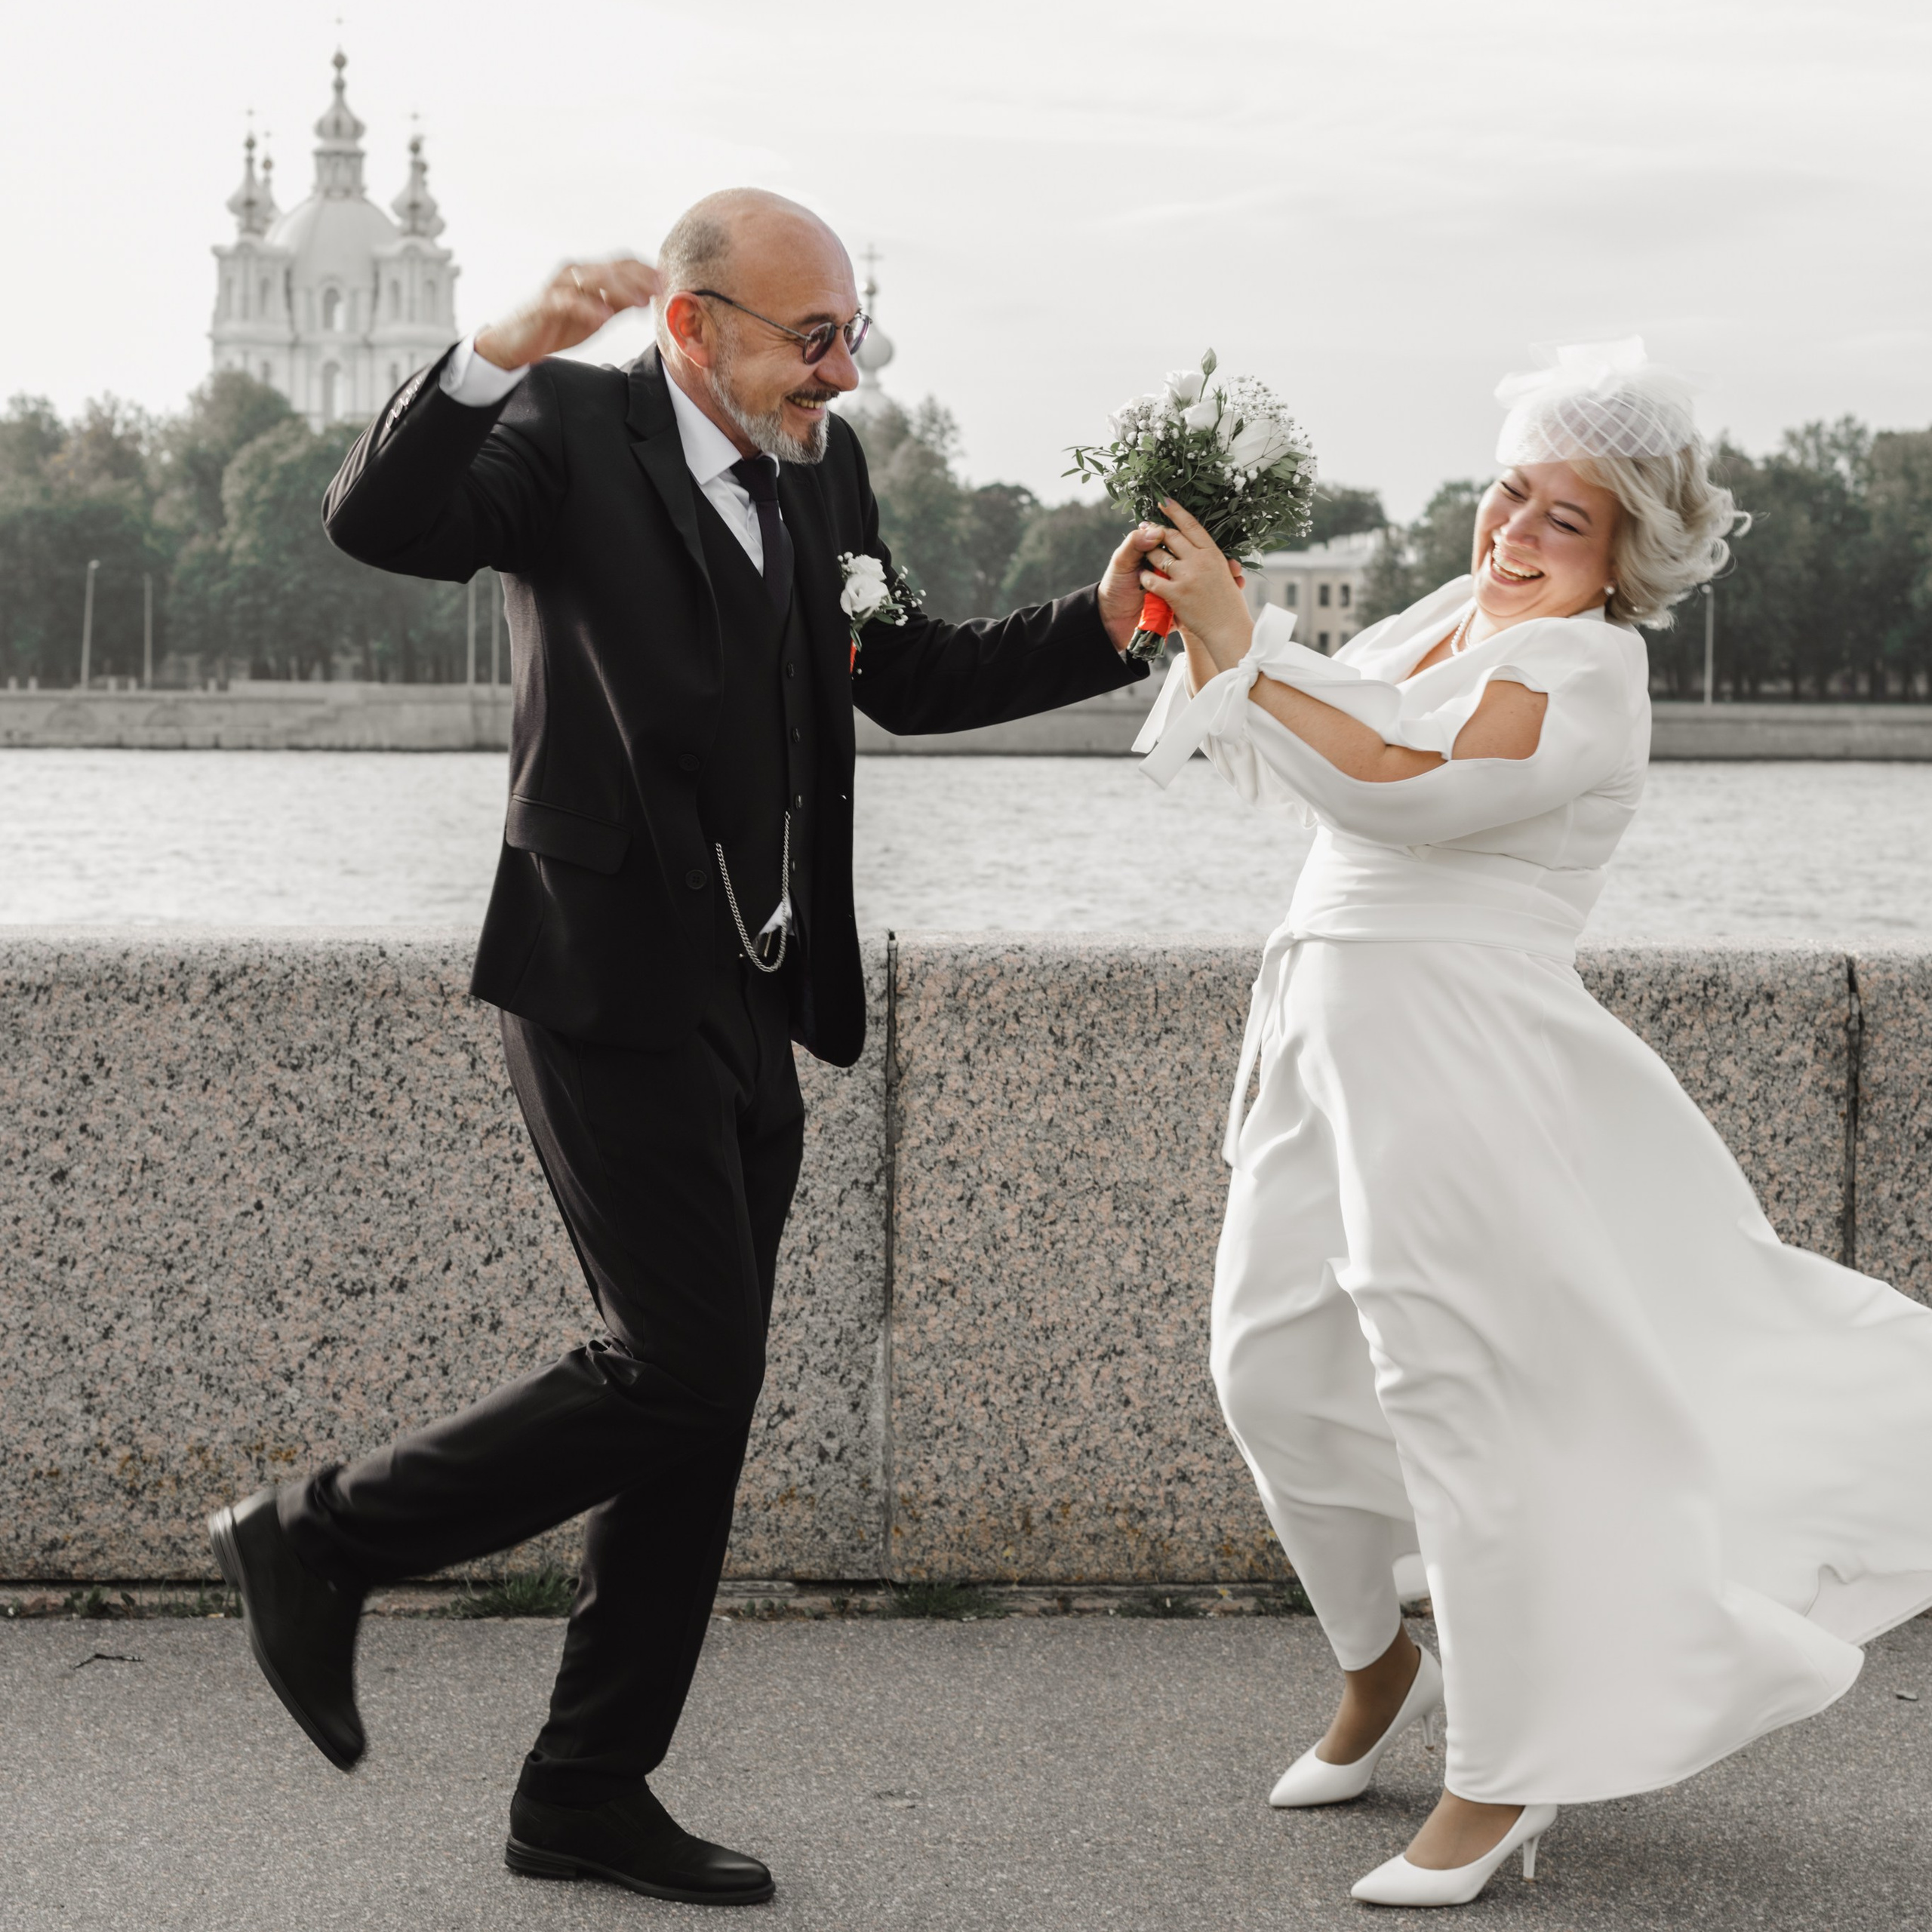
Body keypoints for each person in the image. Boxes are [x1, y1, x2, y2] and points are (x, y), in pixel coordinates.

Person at [206, 188, 1164, 1908]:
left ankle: (585, 1787)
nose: (843, 370)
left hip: (755, 993)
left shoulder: (823, 470)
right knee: (685, 1368)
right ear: (694, 328)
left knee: (696, 1410)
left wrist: (1103, 625)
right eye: (815, 338)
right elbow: (383, 519)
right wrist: (499, 348)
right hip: (595, 978)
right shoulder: (571, 429)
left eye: (852, 334)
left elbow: (904, 672)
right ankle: (321, 1536)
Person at [1134, 339, 1932, 1909]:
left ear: (1625, 552)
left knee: (1458, 1399)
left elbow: (1397, 776)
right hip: (1323, 1037)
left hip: (1454, 1053)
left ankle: (1498, 1778)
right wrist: (1203, 620)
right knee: (1262, 1365)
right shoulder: (1454, 611)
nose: (1514, 530)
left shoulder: (1585, 669)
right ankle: (1380, 1667)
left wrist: (1244, 640)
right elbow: (1295, 729)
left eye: (1563, 519)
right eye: (1509, 493)